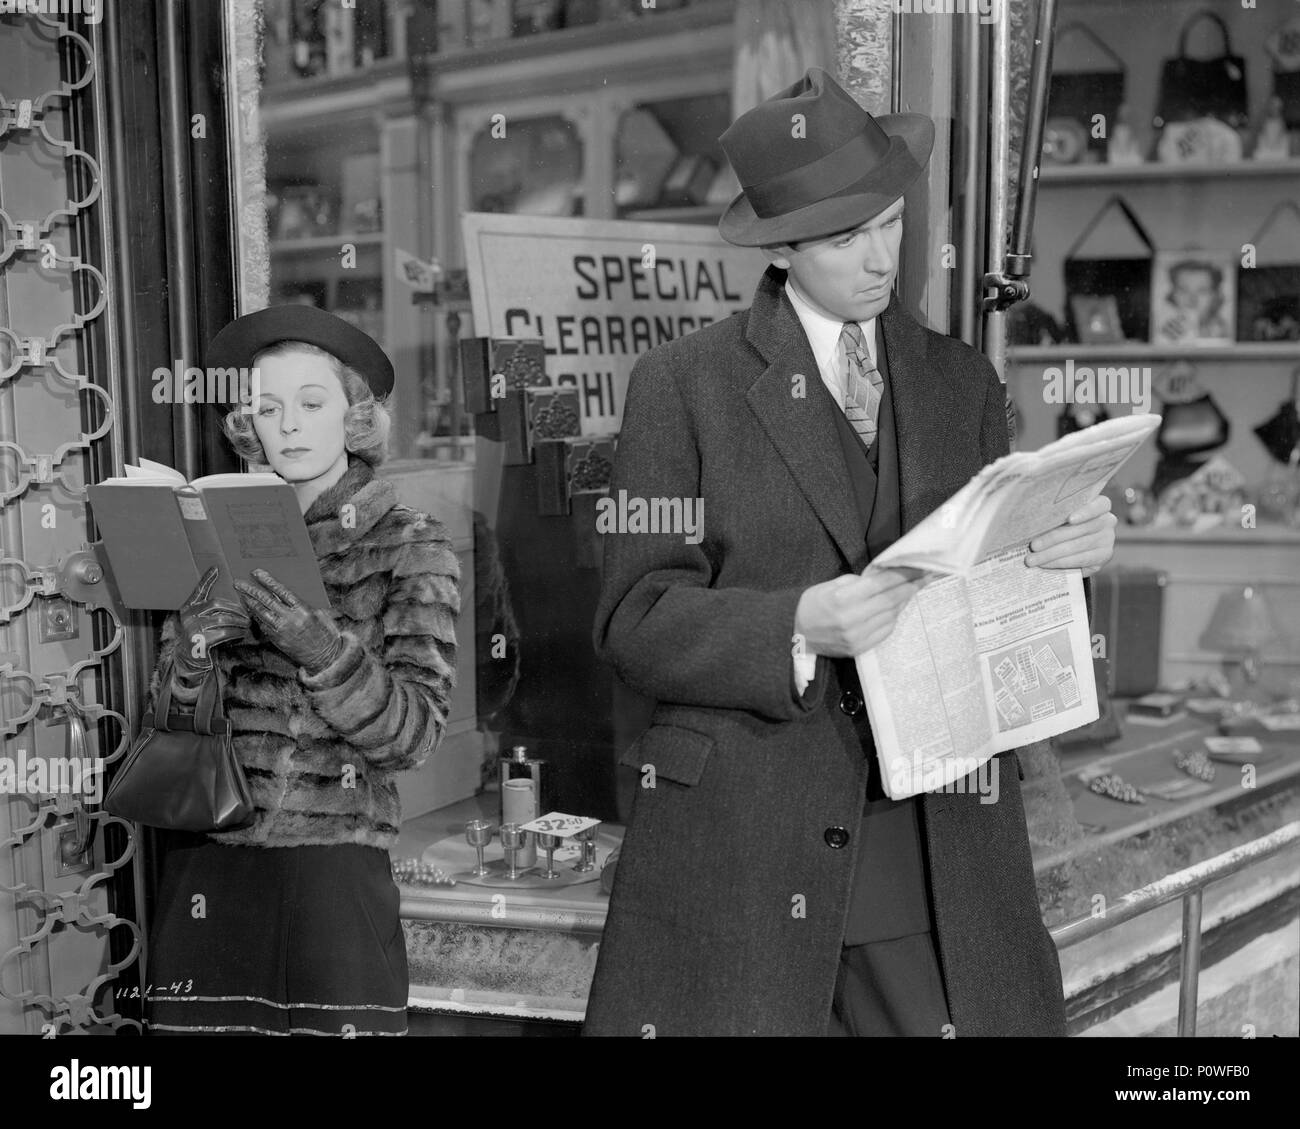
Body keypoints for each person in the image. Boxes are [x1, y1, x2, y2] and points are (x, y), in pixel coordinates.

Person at [583, 68, 1116, 1037]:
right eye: (843, 238)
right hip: (744, 844)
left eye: (888, 223)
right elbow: (633, 620)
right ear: (780, 250)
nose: (878, 257)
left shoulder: (962, 384)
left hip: (938, 844)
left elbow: (999, 594)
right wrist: (793, 625)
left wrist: (1065, 554)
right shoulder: (680, 386)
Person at [142, 305, 460, 1035]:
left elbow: (414, 734)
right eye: (267, 408)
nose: (286, 426)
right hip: (211, 863)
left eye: (311, 404)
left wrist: (323, 653)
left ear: (354, 418)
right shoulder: (214, 526)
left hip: (332, 880)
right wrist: (188, 652)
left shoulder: (411, 544)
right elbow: (167, 720)